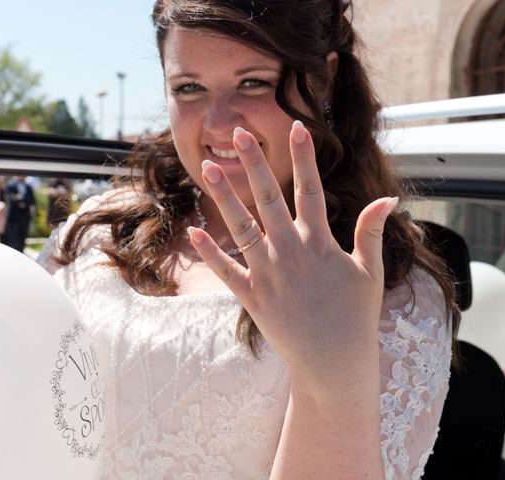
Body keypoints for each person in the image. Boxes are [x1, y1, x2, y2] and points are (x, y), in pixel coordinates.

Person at [37, 1, 460, 478]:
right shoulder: (95, 232)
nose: (219, 123)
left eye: (253, 82)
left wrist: (331, 364)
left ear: (322, 81)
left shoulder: (390, 289)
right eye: (189, 88)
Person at [5, 176, 35, 252]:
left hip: (25, 217)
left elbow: (32, 201)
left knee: (23, 239)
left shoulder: (28, 187)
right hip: (14, 217)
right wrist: (20, 200)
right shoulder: (11, 185)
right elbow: (11, 199)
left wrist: (22, 200)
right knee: (13, 240)